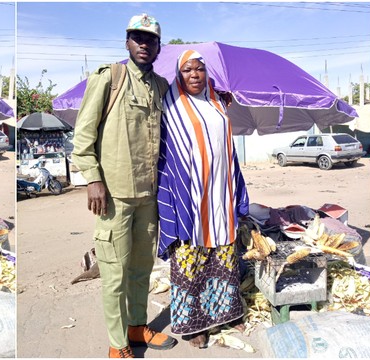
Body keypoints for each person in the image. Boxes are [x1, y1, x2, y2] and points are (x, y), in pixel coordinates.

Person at [71, 14, 176, 358]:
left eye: (151, 40)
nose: (144, 45)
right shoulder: (109, 79)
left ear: (159, 47)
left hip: (149, 196)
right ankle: (118, 346)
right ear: (127, 42)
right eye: (138, 38)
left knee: (141, 269)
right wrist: (93, 179)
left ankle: (136, 327)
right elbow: (83, 135)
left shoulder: (161, 87)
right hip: (113, 196)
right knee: (114, 273)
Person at [156, 50, 249, 348]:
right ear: (178, 74)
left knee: (224, 258)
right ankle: (194, 324)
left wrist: (238, 195)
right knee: (190, 262)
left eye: (199, 69)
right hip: (188, 199)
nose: (194, 74)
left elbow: (228, 150)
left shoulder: (218, 103)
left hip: (219, 196)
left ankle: (225, 313)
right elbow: (163, 154)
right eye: (187, 70)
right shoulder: (168, 107)